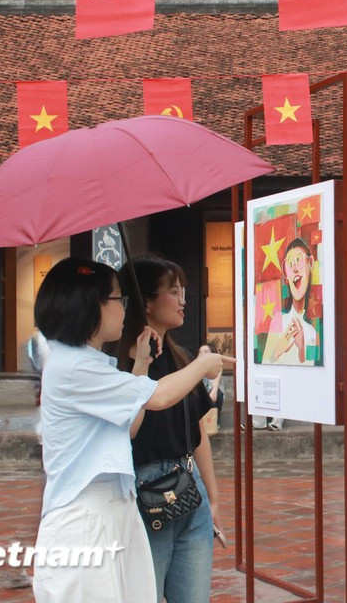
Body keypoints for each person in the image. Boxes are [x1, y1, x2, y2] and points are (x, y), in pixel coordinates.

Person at [32, 257, 225, 602]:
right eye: (118, 299)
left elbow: (131, 425)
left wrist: (141, 365)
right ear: (92, 305)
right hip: (88, 518)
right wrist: (203, 364)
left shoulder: (86, 363)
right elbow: (159, 397)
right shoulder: (76, 369)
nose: (125, 307)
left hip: (114, 509)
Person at [115, 255, 224, 603]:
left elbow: (197, 433)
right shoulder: (120, 363)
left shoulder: (180, 358)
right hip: (145, 493)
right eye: (173, 291)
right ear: (146, 301)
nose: (182, 300)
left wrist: (213, 497)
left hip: (190, 490)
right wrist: (141, 364)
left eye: (183, 292)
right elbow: (136, 419)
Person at [262, 238, 319, 366]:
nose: (294, 268)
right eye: (289, 264)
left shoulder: (312, 332)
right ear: (286, 279)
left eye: (298, 260)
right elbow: (265, 364)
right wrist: (278, 349)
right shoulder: (278, 320)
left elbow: (312, 368)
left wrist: (302, 349)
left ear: (310, 263)